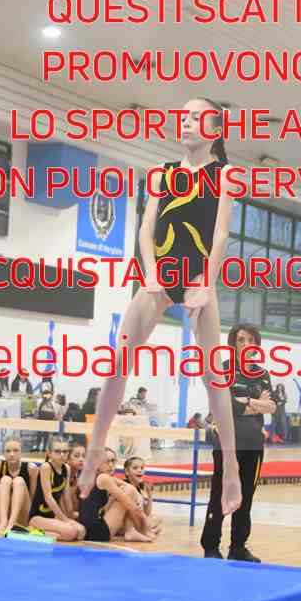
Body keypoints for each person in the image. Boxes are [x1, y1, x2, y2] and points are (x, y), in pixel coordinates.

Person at [79, 98, 243, 517]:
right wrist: (151, 273)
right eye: (183, 116)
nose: (185, 122)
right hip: (160, 275)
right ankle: (96, 448)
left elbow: (220, 235)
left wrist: (206, 285)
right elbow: (146, 228)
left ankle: (230, 467)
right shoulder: (162, 173)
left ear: (214, 129)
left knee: (215, 378)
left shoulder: (224, 176)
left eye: (195, 117)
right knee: (118, 361)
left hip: (198, 277)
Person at [200, 323, 276, 562]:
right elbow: (226, 406)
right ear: (233, 342)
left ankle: (238, 547)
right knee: (220, 494)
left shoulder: (262, 374)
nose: (246, 344)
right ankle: (211, 546)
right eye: (241, 339)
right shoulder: (223, 370)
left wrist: (245, 402)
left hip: (253, 444)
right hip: (227, 443)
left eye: (251, 340)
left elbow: (272, 406)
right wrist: (256, 403)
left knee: (246, 497)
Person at [78, 447, 152, 542]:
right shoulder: (103, 478)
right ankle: (130, 531)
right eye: (106, 462)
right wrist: (146, 526)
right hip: (98, 532)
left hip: (90, 530)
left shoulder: (101, 477)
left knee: (128, 490)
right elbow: (132, 507)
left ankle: (132, 530)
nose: (111, 465)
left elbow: (125, 486)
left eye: (113, 461)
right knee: (129, 490)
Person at [28, 435, 85, 541]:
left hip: (52, 516)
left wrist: (70, 518)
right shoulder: (46, 467)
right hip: (38, 517)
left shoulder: (66, 468)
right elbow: (48, 497)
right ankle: (31, 530)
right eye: (57, 451)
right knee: (71, 532)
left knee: (81, 531)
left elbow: (67, 497)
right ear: (49, 453)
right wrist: (64, 520)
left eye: (65, 451)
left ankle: (47, 533)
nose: (62, 455)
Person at [0, 436, 37, 534]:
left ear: (22, 452)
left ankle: (12, 523)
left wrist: (35, 523)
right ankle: (3, 523)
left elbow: (33, 499)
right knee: (5, 479)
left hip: (21, 516)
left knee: (19, 481)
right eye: (8, 451)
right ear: (3, 453)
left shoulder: (31, 468)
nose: (12, 454)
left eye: (16, 451)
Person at [123, 456, 163, 536]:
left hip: (137, 521)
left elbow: (147, 512)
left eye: (142, 468)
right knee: (154, 525)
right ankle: (143, 530)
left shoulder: (140, 488)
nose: (139, 470)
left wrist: (149, 494)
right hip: (126, 523)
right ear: (127, 472)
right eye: (135, 468)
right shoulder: (125, 487)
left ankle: (145, 530)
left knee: (157, 518)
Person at [66, 441, 85, 516]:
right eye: (77, 456)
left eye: (84, 456)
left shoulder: (81, 476)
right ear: (67, 458)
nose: (81, 459)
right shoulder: (61, 474)